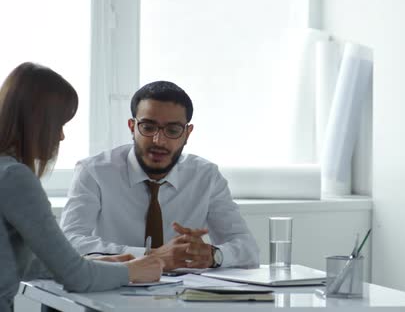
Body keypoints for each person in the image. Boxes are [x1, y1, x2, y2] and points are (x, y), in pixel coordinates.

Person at [0, 62, 164, 311]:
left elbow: (19, 263)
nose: (61, 136)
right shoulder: (14, 177)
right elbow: (75, 277)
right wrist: (132, 270)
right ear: (38, 122)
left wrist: (105, 266)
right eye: (59, 124)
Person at [60, 81, 259, 271]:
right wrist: (150, 255)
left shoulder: (206, 176)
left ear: (187, 134)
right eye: (148, 127)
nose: (159, 140)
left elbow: (248, 249)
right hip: (113, 289)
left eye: (172, 130)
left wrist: (213, 255)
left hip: (183, 297)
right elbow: (70, 241)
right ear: (132, 127)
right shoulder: (94, 171)